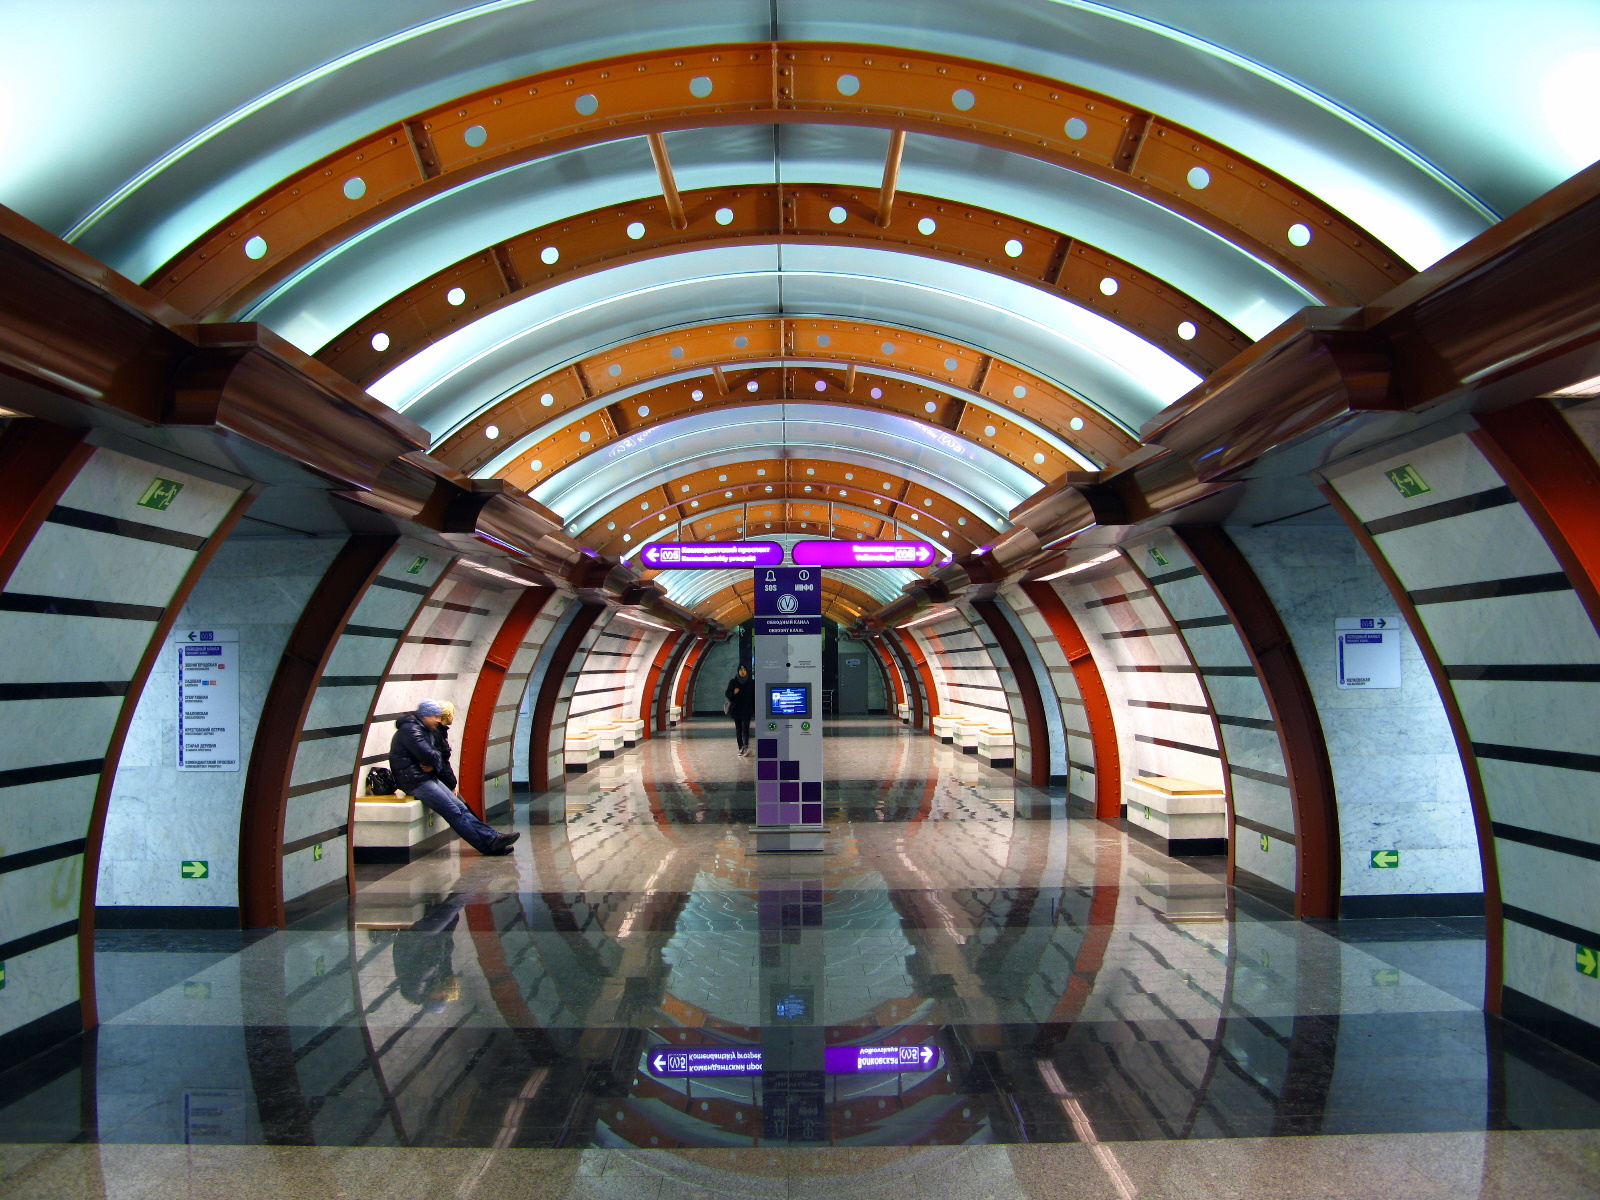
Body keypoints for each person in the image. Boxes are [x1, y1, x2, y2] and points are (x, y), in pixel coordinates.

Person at [390, 698, 519, 855]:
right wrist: (434, 760)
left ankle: (493, 839)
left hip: (425, 777)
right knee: (453, 811)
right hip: (415, 781)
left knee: (461, 807)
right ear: (425, 716)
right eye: (435, 717)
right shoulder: (411, 731)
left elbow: (438, 756)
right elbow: (432, 756)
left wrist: (434, 762)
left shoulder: (424, 729)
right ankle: (487, 846)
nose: (438, 720)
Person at [725, 665, 756, 756]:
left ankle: (746, 746)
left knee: (746, 728)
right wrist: (733, 693)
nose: (742, 672)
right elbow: (728, 694)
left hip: (747, 709)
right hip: (736, 709)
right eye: (741, 670)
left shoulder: (751, 683)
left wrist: (754, 710)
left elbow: (753, 697)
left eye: (744, 670)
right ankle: (740, 747)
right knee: (739, 729)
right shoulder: (733, 682)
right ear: (738, 671)